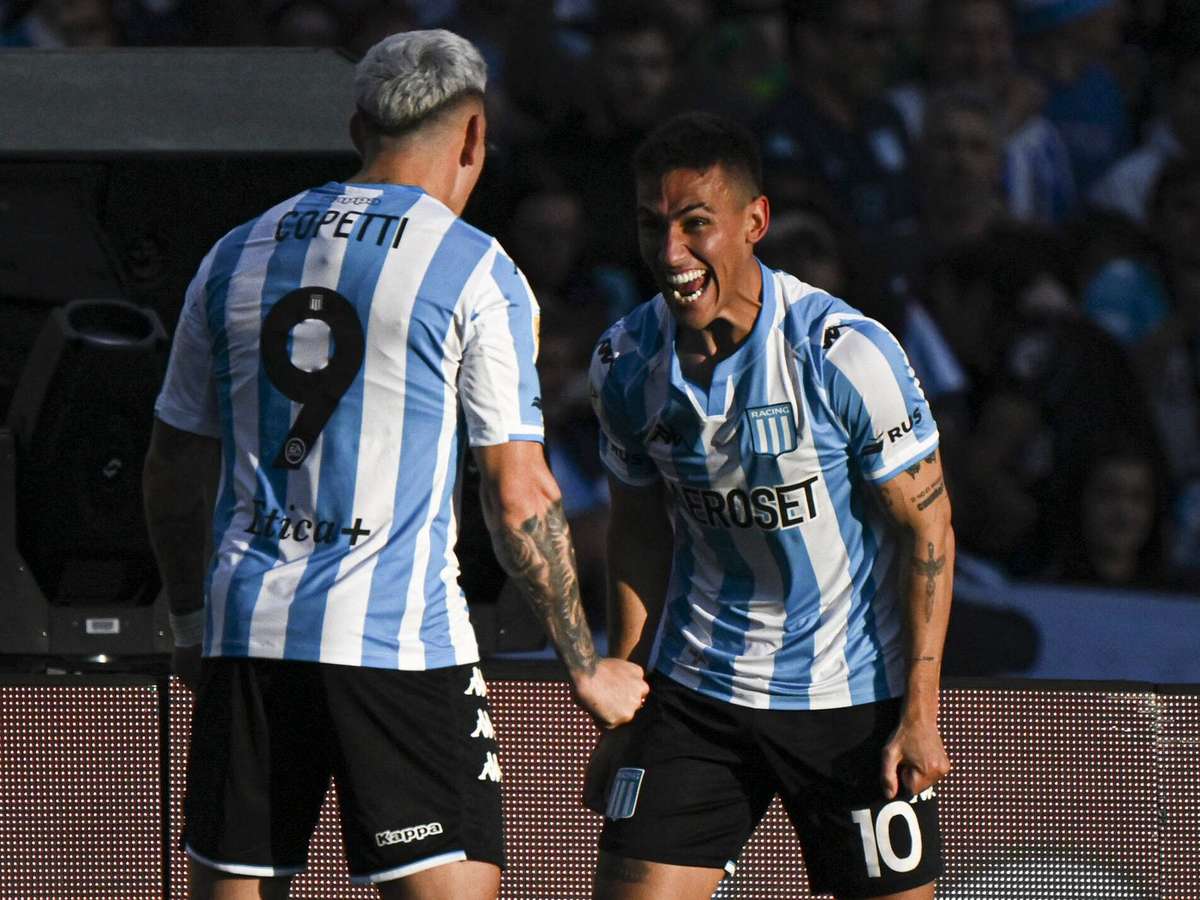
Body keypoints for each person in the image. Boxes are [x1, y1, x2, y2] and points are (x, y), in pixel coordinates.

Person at [141, 29, 648, 900]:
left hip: (246, 639)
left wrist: (192, 622)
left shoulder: (235, 254)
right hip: (397, 650)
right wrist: (584, 663)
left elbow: (169, 467)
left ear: (355, 128)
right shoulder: (474, 268)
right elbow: (517, 493)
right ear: (476, 137)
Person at [586, 112, 954, 900]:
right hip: (696, 691)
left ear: (755, 223)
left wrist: (920, 711)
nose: (671, 255)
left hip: (851, 699)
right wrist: (625, 687)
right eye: (654, 228)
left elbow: (929, 530)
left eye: (695, 226)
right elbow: (639, 530)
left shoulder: (844, 354)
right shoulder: (625, 363)